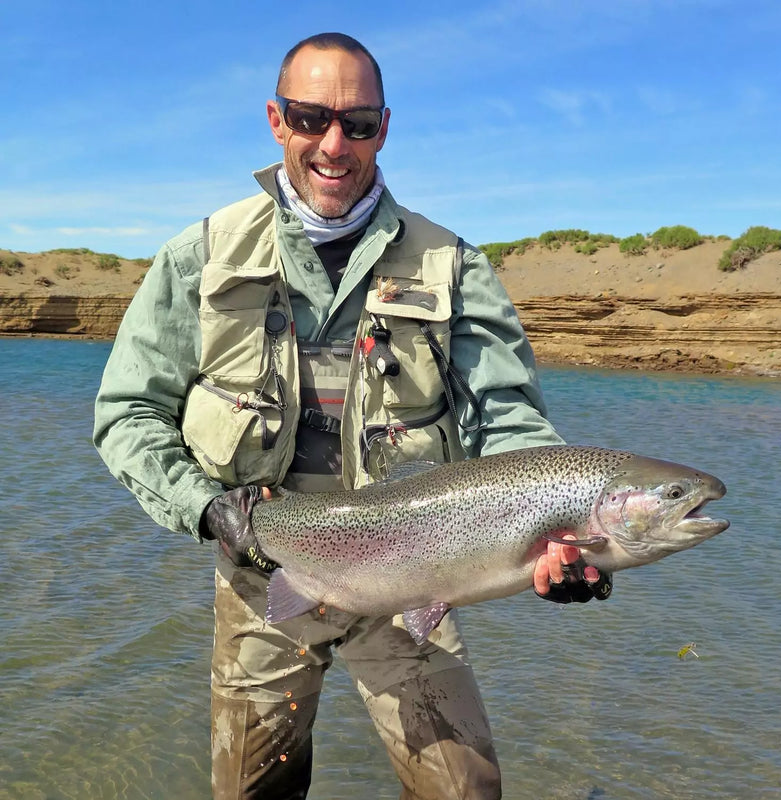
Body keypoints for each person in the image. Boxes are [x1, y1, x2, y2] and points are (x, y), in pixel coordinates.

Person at [94, 31, 611, 800]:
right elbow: (128, 414)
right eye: (311, 118)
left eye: (358, 123)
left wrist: (561, 525)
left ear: (384, 127)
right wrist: (205, 508)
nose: (334, 144)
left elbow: (507, 421)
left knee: (466, 792)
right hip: (264, 571)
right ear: (277, 121)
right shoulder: (197, 257)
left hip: (415, 578)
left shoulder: (453, 265)